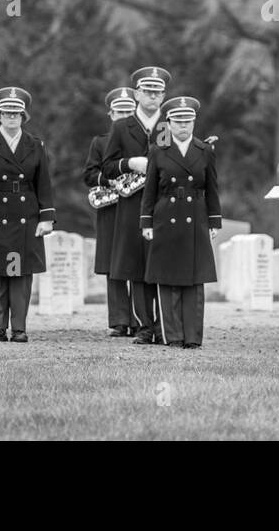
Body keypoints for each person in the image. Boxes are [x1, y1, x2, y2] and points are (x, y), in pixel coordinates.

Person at [0, 87, 55, 343]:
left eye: (17, 113)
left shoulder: (35, 144)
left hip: (26, 216)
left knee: (21, 275)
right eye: (7, 113)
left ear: (23, 116)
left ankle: (19, 327)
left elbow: (44, 184)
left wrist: (46, 217)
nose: (12, 117)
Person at [140, 96, 220, 348]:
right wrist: (146, 222)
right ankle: (172, 336)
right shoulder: (157, 151)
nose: (183, 126)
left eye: (188, 121)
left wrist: (215, 221)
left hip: (196, 217)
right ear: (169, 123)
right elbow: (149, 191)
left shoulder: (205, 151)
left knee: (195, 281)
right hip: (166, 217)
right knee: (168, 279)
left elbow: (212, 188)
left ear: (194, 122)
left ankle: (193, 337)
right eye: (178, 121)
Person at [102, 66, 172, 344]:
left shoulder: (171, 124)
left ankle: (166, 325)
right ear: (137, 94)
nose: (152, 97)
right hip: (132, 206)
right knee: (137, 267)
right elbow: (107, 167)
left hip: (164, 204)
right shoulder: (121, 126)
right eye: (147, 91)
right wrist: (129, 163)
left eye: (157, 92)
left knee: (164, 265)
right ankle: (145, 326)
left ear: (164, 95)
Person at [83, 86, 137, 336]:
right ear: (111, 114)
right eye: (120, 111)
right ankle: (118, 320)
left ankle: (139, 320)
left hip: (136, 207)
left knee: (138, 263)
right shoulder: (100, 142)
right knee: (113, 266)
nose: (124, 115)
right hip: (111, 209)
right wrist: (110, 181)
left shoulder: (142, 139)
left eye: (129, 111)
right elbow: (90, 174)